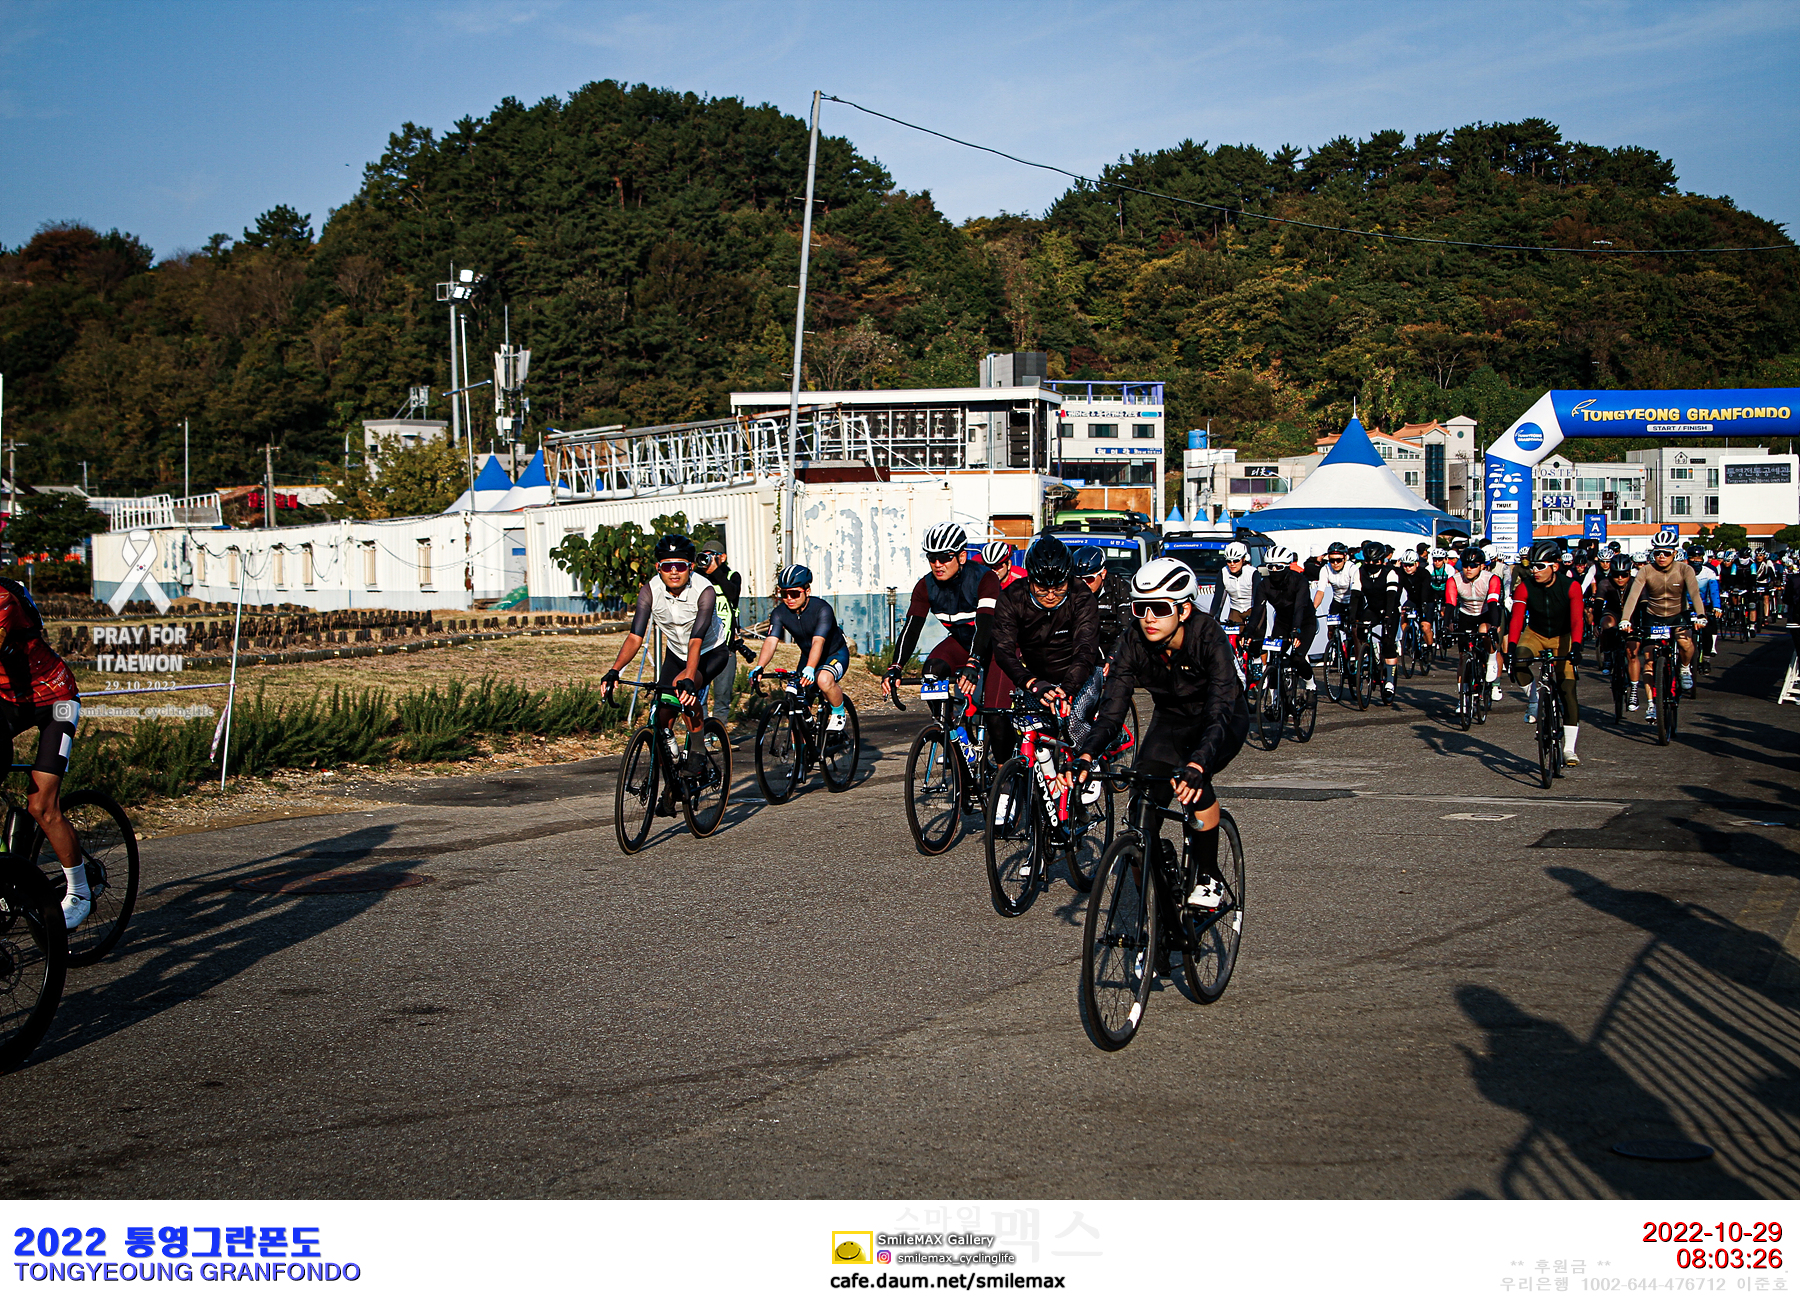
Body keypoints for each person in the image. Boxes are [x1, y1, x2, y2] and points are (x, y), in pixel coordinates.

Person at [1065, 558, 1249, 919]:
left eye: (1160, 608)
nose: (1148, 617)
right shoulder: (1133, 640)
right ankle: (1162, 914)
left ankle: (1208, 875)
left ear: (1183, 610)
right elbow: (1112, 712)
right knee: (1140, 813)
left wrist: (1198, 764)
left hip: (1221, 718)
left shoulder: (1208, 636)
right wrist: (1086, 755)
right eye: (1141, 608)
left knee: (1194, 783)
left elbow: (1219, 710)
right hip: (1171, 719)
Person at [600, 534, 729, 799]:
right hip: (676, 652)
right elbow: (635, 636)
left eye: (680, 565)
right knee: (661, 718)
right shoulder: (650, 590)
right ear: (658, 567)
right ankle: (672, 783)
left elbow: (696, 639)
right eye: (667, 566)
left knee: (683, 689)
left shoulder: (704, 590)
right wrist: (615, 671)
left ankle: (698, 750)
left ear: (690, 567)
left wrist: (690, 678)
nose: (673, 571)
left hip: (709, 652)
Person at [0, 578, 92, 929]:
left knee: (42, 806)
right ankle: (9, 872)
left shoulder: (2, 600)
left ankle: (80, 892)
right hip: (10, 700)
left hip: (56, 701)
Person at [886, 522, 1004, 709]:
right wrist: (896, 666)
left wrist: (973, 661)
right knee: (931, 672)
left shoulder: (985, 578)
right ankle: (945, 724)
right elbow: (911, 629)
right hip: (963, 643)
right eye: (932, 558)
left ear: (961, 556)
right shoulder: (925, 586)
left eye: (944, 557)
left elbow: (985, 626)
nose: (937, 564)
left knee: (995, 713)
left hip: (997, 645)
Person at [747, 564, 851, 732]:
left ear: (807, 591)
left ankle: (838, 712)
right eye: (784, 594)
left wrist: (810, 668)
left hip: (834, 654)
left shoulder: (822, 609)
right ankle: (800, 744)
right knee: (796, 703)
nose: (789, 598)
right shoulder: (779, 613)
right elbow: (771, 641)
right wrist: (760, 666)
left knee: (823, 680)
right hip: (808, 656)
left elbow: (818, 642)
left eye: (794, 593)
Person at [1509, 538, 1585, 765]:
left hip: (1563, 636)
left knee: (1568, 690)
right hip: (1536, 633)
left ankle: (1569, 749)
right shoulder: (1525, 587)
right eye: (1532, 566)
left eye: (1540, 566)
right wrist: (1511, 647)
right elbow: (1516, 619)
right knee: (1519, 661)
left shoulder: (1571, 586)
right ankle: (1534, 698)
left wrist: (1577, 646)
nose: (1535, 570)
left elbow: (1577, 619)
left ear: (1555, 566)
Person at [1619, 526, 1708, 718]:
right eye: (1657, 552)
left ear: (1674, 553)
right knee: (1649, 659)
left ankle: (1684, 667)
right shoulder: (1646, 571)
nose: (1661, 556)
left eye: (1666, 553)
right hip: (1654, 616)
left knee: (1685, 642)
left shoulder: (1685, 569)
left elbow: (1695, 593)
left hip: (1678, 614)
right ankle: (1651, 704)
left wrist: (1701, 615)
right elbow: (1633, 596)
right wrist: (1625, 619)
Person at [1445, 546, 1504, 718]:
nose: (1469, 569)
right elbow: (1450, 604)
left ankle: (1491, 660)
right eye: (1465, 565)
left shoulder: (1491, 579)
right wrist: (1446, 625)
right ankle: (1462, 698)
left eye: (1473, 565)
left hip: (1487, 612)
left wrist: (1494, 626)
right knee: (1463, 656)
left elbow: (1493, 603)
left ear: (1482, 566)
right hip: (1466, 615)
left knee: (1485, 630)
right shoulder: (1454, 580)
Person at [1259, 545, 1319, 693]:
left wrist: (1296, 630)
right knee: (1274, 660)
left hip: (1304, 622)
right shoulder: (1264, 584)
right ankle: (1275, 699)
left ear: (1286, 566)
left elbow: (1299, 608)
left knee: (1297, 658)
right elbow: (1257, 610)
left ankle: (1310, 685)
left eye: (1278, 567)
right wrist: (1250, 632)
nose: (1274, 571)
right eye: (1270, 567)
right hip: (1283, 622)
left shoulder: (1299, 581)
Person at [696, 547, 742, 732]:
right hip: (702, 648)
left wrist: (716, 571)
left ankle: (717, 734)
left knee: (722, 696)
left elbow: (732, 594)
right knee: (699, 695)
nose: (707, 560)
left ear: (722, 557)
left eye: (712, 555)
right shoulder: (698, 578)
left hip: (726, 647)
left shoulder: (731, 576)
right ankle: (702, 735)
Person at [1357, 540, 1404, 704]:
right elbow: (1356, 596)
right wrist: (1354, 617)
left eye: (1375, 562)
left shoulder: (1390, 573)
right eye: (1368, 561)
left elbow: (1391, 596)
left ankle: (1389, 681)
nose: (1371, 565)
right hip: (1373, 608)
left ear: (1382, 560)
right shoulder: (1361, 572)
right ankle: (1371, 654)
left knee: (1388, 641)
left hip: (1390, 608)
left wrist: (1388, 616)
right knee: (1361, 629)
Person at [1073, 544, 1129, 655]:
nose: (1084, 584)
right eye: (1078, 580)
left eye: (1089, 579)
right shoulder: (1071, 589)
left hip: (1113, 647)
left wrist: (1113, 656)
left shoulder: (1119, 587)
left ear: (1103, 574)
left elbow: (1126, 628)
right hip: (1081, 648)